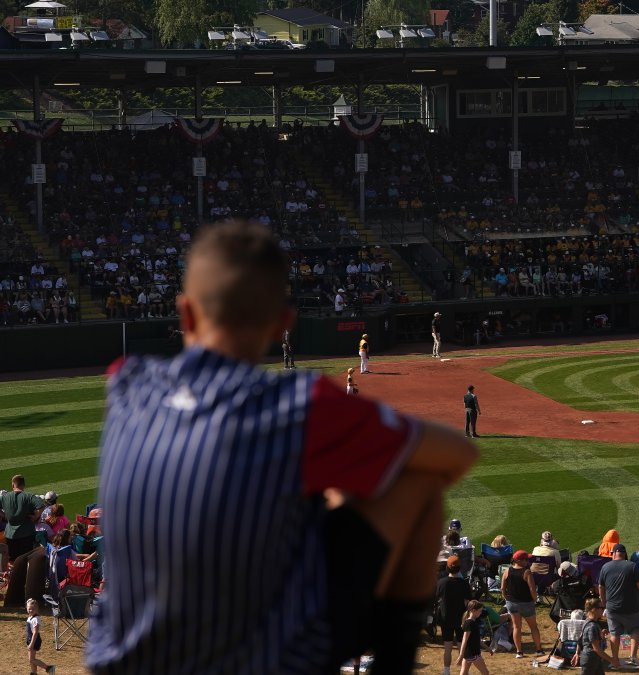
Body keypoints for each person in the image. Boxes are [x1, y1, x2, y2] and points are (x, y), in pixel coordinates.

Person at [87, 222, 479, 674]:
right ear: (282, 325)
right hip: (263, 661)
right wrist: (337, 495)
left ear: (185, 314)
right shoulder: (297, 406)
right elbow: (457, 454)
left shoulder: (127, 383)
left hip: (120, 664)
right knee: (417, 485)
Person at [598, 543, 639, 667]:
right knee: (635, 630)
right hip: (631, 607)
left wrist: (603, 603)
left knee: (614, 633)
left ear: (613, 554)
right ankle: (633, 657)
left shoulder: (605, 567)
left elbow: (600, 587)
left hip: (612, 607)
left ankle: (615, 659)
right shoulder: (632, 566)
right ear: (625, 554)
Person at [500, 550, 543, 658]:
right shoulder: (527, 572)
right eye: (525, 559)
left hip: (512, 603)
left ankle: (519, 652)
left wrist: (507, 598)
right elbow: (533, 589)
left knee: (516, 627)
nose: (527, 561)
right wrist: (534, 600)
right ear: (519, 561)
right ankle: (538, 650)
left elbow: (502, 588)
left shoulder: (507, 571)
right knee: (533, 627)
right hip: (526, 603)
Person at [437, 555, 472, 675]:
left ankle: (446, 671)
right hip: (460, 618)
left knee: (448, 646)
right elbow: (468, 602)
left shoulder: (441, 583)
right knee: (462, 646)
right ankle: (464, 671)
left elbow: (435, 599)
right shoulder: (464, 584)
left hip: (445, 618)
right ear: (459, 568)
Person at [1, 475, 44, 561]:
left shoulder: (5, 497)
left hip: (10, 535)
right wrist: (35, 517)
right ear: (23, 485)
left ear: (13, 485)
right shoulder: (29, 496)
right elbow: (41, 506)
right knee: (26, 560)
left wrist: (4, 515)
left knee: (13, 560)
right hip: (27, 534)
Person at [573, 598, 619, 675]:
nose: (603, 610)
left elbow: (581, 639)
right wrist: (611, 660)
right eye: (601, 608)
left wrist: (577, 653)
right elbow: (596, 648)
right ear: (593, 609)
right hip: (590, 660)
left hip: (595, 659)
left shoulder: (588, 622)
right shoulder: (592, 626)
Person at [457, 600, 490, 675]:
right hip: (473, 654)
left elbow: (476, 639)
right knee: (485, 673)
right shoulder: (469, 623)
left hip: (469, 654)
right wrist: (461, 655)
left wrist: (487, 648)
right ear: (473, 610)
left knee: (464, 673)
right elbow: (464, 640)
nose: (481, 613)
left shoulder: (472, 622)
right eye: (480, 611)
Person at [25, 598, 54, 675]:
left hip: (34, 640)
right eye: (29, 608)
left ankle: (49, 668)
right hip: (30, 639)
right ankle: (34, 672)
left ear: (37, 609)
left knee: (31, 660)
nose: (30, 610)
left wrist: (31, 643)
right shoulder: (30, 617)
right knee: (31, 659)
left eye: (33, 609)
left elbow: (35, 632)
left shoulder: (36, 619)